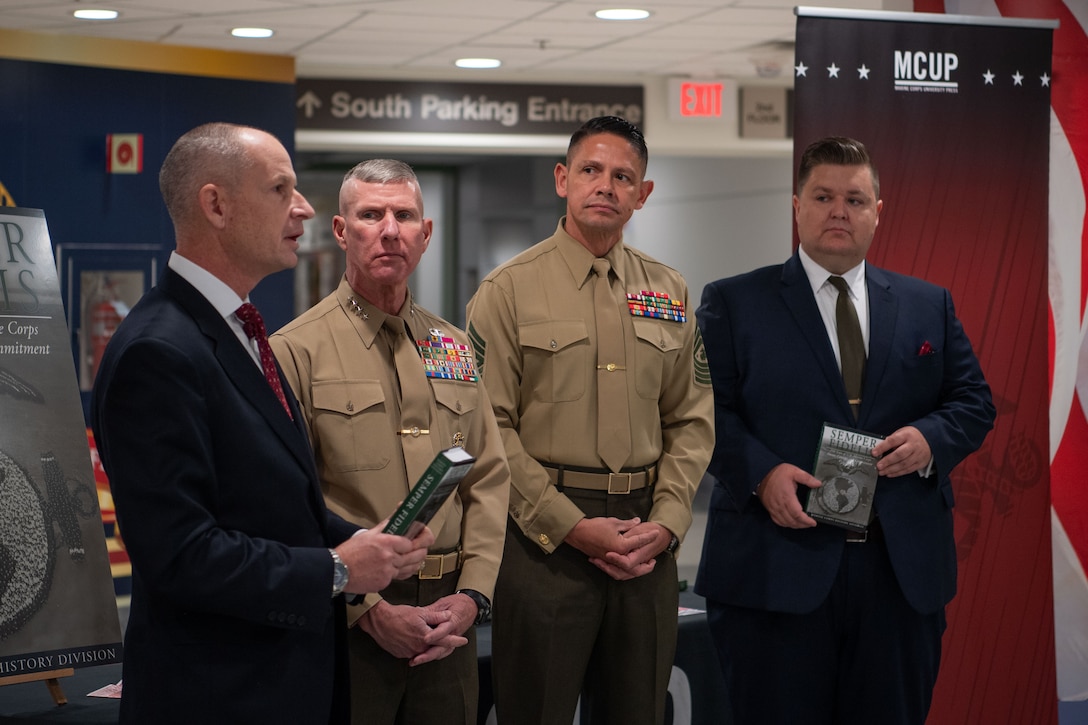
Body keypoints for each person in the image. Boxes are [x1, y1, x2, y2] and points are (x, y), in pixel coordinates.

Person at [90, 123, 434, 725]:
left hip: (279, 682)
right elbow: (179, 556)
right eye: (281, 189)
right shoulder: (160, 351)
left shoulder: (238, 328)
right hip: (219, 694)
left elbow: (272, 502)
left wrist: (366, 539)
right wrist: (341, 568)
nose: (303, 208)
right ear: (216, 205)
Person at [695, 136, 996, 725]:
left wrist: (932, 438)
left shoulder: (926, 304)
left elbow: (974, 401)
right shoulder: (735, 302)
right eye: (824, 196)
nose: (840, 211)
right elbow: (702, 412)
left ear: (878, 210)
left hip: (898, 576)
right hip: (775, 570)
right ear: (797, 205)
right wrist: (760, 475)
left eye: (855, 199)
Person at [465, 116, 715, 725]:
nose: (606, 185)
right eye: (591, 170)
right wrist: (570, 524)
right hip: (543, 542)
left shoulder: (668, 290)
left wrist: (669, 522)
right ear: (562, 179)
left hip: (644, 539)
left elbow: (691, 417)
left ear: (643, 194)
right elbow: (487, 428)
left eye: (623, 176)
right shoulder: (507, 291)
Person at [270, 159, 510, 725]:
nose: (389, 230)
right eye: (370, 215)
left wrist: (472, 596)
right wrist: (369, 612)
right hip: (350, 626)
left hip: (451, 622)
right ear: (339, 230)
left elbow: (488, 477)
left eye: (404, 216)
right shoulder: (294, 351)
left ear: (426, 235)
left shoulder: (452, 345)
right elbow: (289, 506)